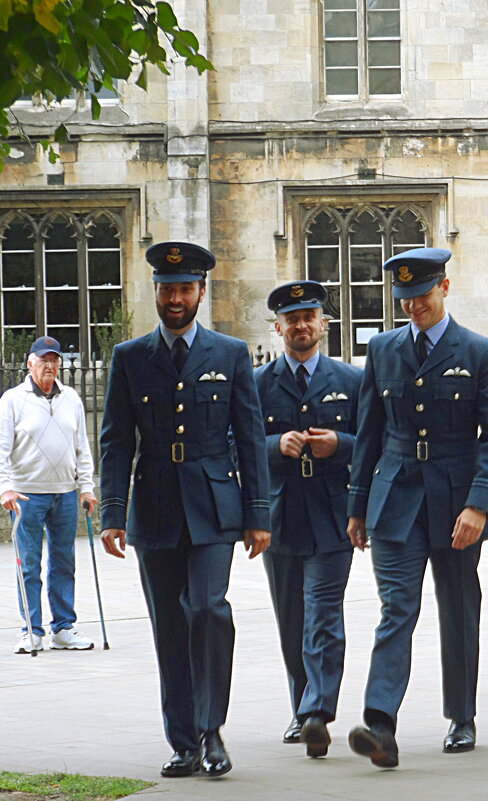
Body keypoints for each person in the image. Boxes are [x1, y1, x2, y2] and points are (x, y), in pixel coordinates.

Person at [99, 242, 271, 778]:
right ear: (156, 292)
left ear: (201, 292)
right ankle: (183, 742)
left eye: (184, 289)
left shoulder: (230, 353)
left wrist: (258, 514)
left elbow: (249, 436)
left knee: (207, 608)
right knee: (168, 626)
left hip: (215, 505)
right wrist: (112, 512)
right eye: (167, 289)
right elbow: (116, 441)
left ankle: (212, 728)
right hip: (153, 508)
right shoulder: (130, 358)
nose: (175, 298)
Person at [345, 247, 488, 768]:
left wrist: (479, 504)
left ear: (444, 287)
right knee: (397, 609)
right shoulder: (383, 349)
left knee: (459, 610)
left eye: (422, 296)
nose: (413, 307)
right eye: (405, 299)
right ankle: (380, 724)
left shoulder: (480, 351)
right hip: (395, 496)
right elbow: (368, 432)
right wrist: (357, 507)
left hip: (455, 498)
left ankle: (461, 716)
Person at [254, 281, 360, 758]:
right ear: (278, 328)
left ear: (323, 324)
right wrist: (275, 447)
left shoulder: (351, 382)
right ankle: (302, 706)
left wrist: (341, 445)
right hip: (279, 519)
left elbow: (375, 446)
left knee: (323, 614)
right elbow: (237, 445)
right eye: (291, 319)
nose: (301, 326)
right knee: (291, 619)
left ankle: (318, 711)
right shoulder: (257, 384)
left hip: (333, 515)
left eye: (309, 317)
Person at [0, 336, 96, 654]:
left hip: (66, 493)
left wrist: (87, 487)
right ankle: (31, 630)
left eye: (55, 361)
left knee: (63, 561)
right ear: (30, 364)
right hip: (26, 494)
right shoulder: (12, 400)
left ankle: (63, 627)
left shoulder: (71, 398)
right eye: (44, 360)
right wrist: (5, 487)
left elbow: (82, 446)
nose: (50, 366)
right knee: (28, 564)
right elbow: (1, 449)